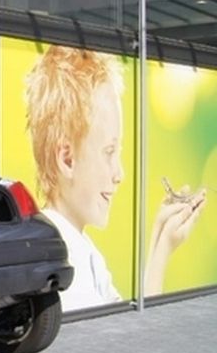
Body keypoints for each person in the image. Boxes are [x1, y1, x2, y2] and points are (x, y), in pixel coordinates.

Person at [24, 45, 206, 312]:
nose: (119, 174)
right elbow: (129, 340)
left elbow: (131, 327)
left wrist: (161, 242)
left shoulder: (80, 248)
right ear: (67, 159)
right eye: (108, 152)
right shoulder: (64, 259)